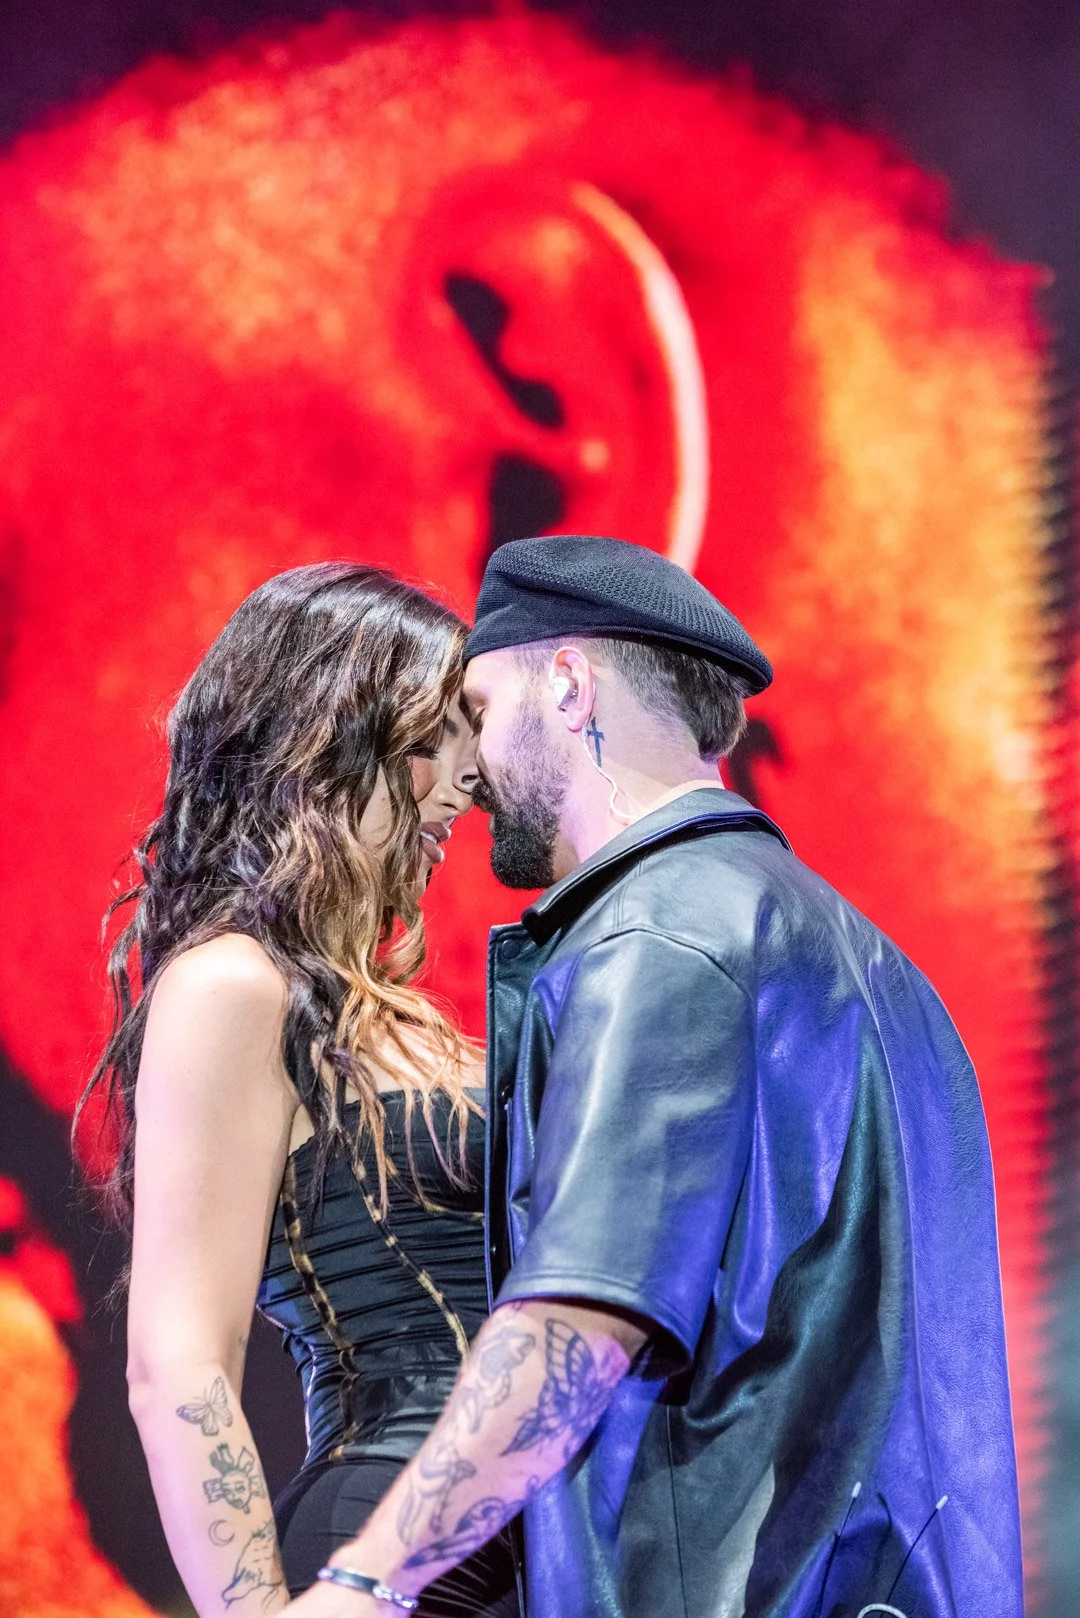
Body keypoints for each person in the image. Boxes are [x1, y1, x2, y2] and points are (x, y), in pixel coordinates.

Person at [289, 534, 1023, 1618]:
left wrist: (365, 1581)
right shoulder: (879, 967)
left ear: (568, 683)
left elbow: (577, 1323)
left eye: (482, 710)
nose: (473, 770)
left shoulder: (662, 932)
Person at [78, 562, 521, 1618]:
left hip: (516, 1553)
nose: (468, 779)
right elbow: (181, 1362)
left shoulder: (391, 1011)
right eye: (432, 739)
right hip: (380, 1559)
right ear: (323, 738)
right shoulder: (231, 985)